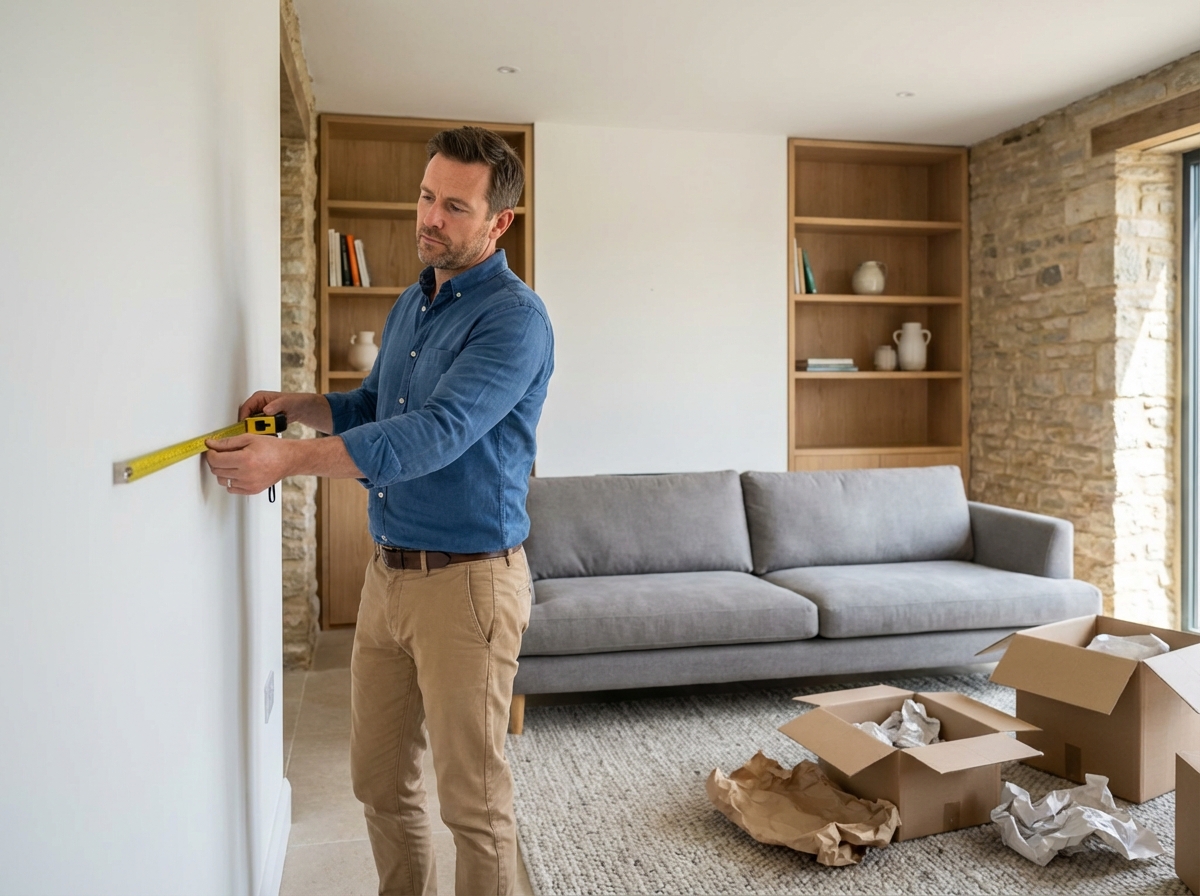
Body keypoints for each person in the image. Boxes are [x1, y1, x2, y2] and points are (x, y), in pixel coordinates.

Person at [204, 126, 554, 896]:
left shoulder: (515, 319)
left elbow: (437, 433)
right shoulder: (412, 303)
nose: (429, 217)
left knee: (473, 804)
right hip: (388, 577)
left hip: (468, 586)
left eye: (454, 207)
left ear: (500, 222)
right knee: (378, 782)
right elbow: (377, 406)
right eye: (427, 197)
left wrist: (288, 462)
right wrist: (302, 407)